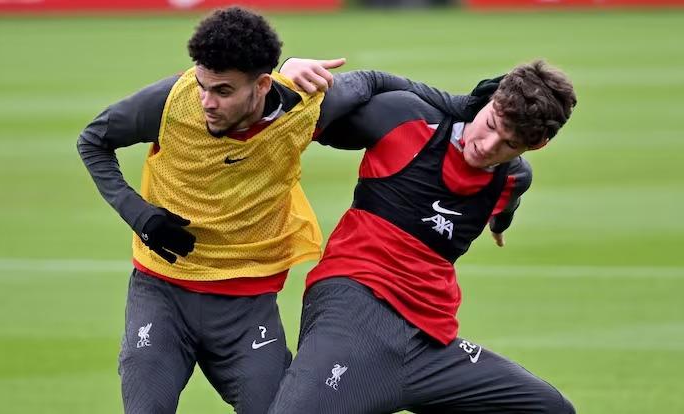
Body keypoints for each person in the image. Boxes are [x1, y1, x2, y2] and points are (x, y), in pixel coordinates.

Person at [76, 7, 462, 414]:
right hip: (162, 292)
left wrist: (463, 105)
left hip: (247, 303)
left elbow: (373, 82)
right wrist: (140, 215)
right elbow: (93, 140)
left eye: (223, 91)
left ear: (262, 85)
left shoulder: (303, 111)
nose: (206, 102)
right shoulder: (170, 101)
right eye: (203, 85)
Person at [268, 60, 578, 413]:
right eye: (491, 124)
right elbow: (295, 117)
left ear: (534, 146)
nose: (488, 145)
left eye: (508, 144)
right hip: (354, 302)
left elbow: (510, 203)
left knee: (549, 409)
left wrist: (499, 226)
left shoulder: (511, 179)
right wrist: (289, 73)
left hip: (427, 340)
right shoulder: (408, 119)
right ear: (492, 101)